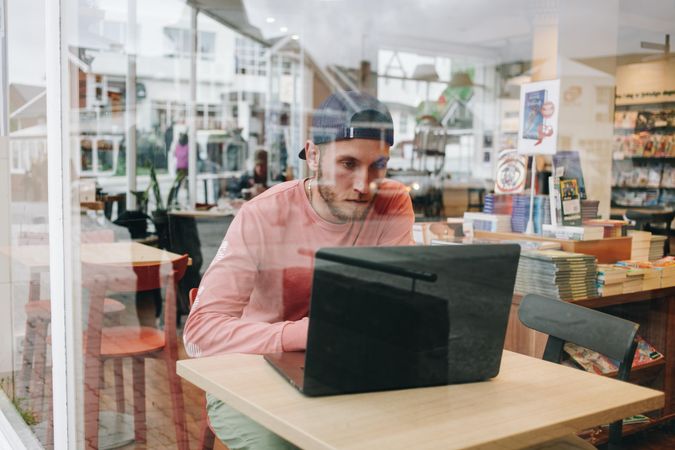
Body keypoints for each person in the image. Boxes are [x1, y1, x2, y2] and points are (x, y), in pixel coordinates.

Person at [183, 91, 414, 449]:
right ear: (315, 155)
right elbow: (200, 335)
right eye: (348, 164)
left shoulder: (392, 201)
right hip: (252, 373)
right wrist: (310, 334)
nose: (363, 184)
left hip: (346, 370)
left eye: (378, 166)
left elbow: (393, 303)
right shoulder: (263, 214)